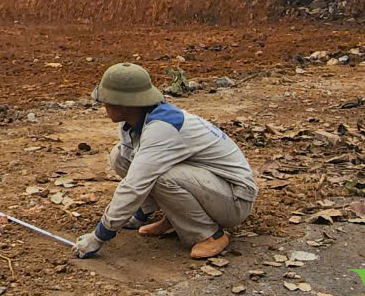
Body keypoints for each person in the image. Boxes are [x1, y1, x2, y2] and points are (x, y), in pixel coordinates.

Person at [74, 63, 258, 260]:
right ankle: (174, 218)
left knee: (161, 176)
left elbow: (135, 185)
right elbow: (137, 167)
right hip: (210, 186)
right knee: (120, 156)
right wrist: (139, 215)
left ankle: (209, 235)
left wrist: (100, 235)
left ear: (124, 103)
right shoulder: (133, 122)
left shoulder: (162, 128)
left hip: (234, 199)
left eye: (107, 100)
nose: (104, 106)